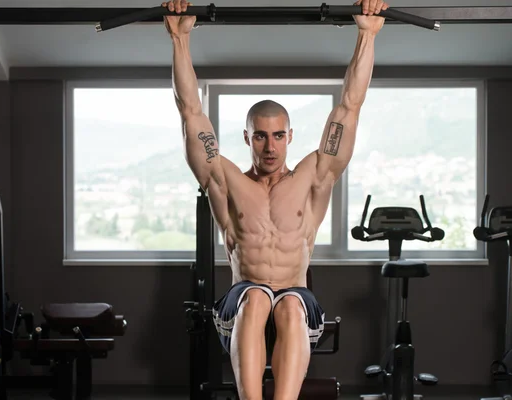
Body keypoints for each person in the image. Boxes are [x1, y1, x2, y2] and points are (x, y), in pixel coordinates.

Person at [163, 1, 387, 398]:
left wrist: (366, 34)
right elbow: (191, 112)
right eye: (261, 136)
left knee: (288, 304)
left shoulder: (313, 175)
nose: (270, 146)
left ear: (290, 136)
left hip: (296, 298)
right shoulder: (225, 180)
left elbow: (350, 108)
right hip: (242, 298)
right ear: (247, 138)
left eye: (279, 135)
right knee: (255, 295)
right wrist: (180, 38)